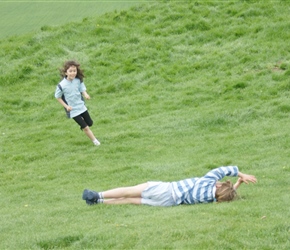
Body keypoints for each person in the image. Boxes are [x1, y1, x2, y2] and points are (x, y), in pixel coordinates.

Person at [82, 166, 256, 206]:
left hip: (166, 189)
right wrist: (237, 185)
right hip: (167, 202)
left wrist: (241, 175)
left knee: (129, 190)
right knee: (130, 200)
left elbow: (222, 169)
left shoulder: (206, 182)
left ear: (217, 186)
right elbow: (226, 195)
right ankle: (98, 203)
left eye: (219, 184)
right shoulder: (211, 199)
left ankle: (98, 194)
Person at [55, 60, 100, 146]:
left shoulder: (78, 80)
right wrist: (66, 106)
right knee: (86, 127)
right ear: (66, 72)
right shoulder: (61, 85)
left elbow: (82, 89)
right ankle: (95, 141)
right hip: (73, 110)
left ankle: (83, 126)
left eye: (74, 71)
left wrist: (86, 94)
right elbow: (58, 97)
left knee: (90, 123)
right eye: (70, 71)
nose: (73, 73)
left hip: (81, 106)